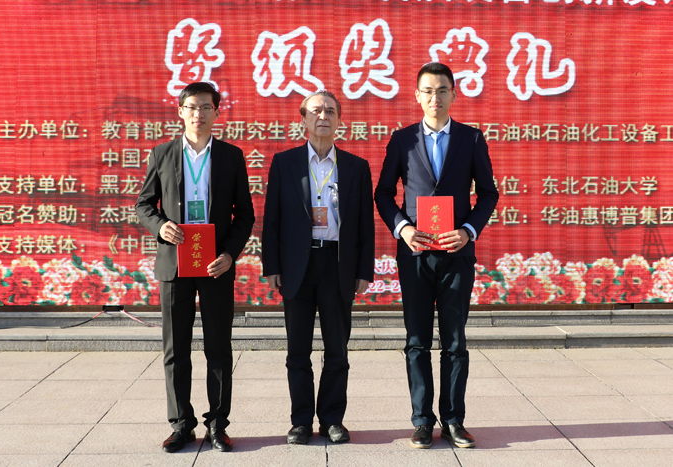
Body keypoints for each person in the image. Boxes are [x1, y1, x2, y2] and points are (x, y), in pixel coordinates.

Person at [374, 62, 499, 449]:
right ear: (417, 96)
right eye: (427, 90)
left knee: (455, 340)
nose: (435, 97)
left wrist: (468, 230)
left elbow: (488, 193)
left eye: (442, 90)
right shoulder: (402, 140)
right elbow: (383, 194)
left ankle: (454, 420)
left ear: (453, 95)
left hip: (456, 254)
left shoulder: (471, 138)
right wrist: (403, 228)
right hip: (415, 254)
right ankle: (422, 421)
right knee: (416, 339)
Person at [136, 82, 255, 453]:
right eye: (191, 107)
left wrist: (230, 254)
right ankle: (181, 425)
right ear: (180, 112)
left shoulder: (231, 156)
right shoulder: (162, 153)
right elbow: (144, 205)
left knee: (219, 347)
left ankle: (218, 425)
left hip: (215, 264)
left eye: (205, 107)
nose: (198, 113)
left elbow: (245, 215)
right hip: (175, 263)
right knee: (176, 349)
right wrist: (161, 226)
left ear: (217, 112)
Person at [262, 90, 375, 445]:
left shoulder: (356, 167)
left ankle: (331, 419)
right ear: (303, 119)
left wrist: (364, 270)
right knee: (298, 350)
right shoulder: (285, 163)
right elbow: (272, 218)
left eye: (330, 111)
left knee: (337, 349)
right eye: (315, 111)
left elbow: (365, 224)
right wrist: (272, 265)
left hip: (338, 264)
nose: (322, 116)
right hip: (298, 265)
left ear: (340, 120)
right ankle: (300, 421)